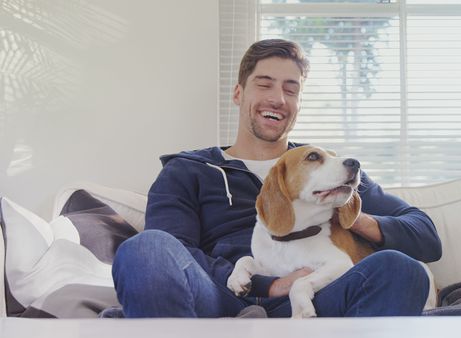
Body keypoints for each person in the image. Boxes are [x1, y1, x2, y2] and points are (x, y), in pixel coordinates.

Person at [112, 39, 442, 318]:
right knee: (145, 249)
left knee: (401, 269)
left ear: (298, 104)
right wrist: (266, 284)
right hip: (222, 299)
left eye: (291, 89)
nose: (278, 98)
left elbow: (425, 236)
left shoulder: (331, 170)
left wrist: (348, 215)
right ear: (239, 93)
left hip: (319, 298)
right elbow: (175, 250)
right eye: (265, 83)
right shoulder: (188, 170)